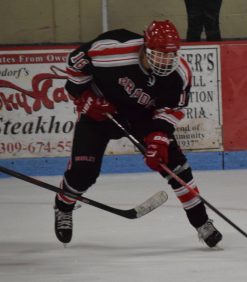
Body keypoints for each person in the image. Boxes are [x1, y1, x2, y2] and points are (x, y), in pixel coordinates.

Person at [54, 20, 222, 248]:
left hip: (143, 116)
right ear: (145, 46)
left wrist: (158, 139)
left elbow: (172, 109)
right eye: (159, 54)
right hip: (102, 112)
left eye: (170, 55)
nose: (166, 60)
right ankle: (63, 205)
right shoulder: (112, 51)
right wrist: (84, 95)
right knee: (83, 172)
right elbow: (76, 62)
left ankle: (202, 223)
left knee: (176, 167)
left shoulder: (180, 74)